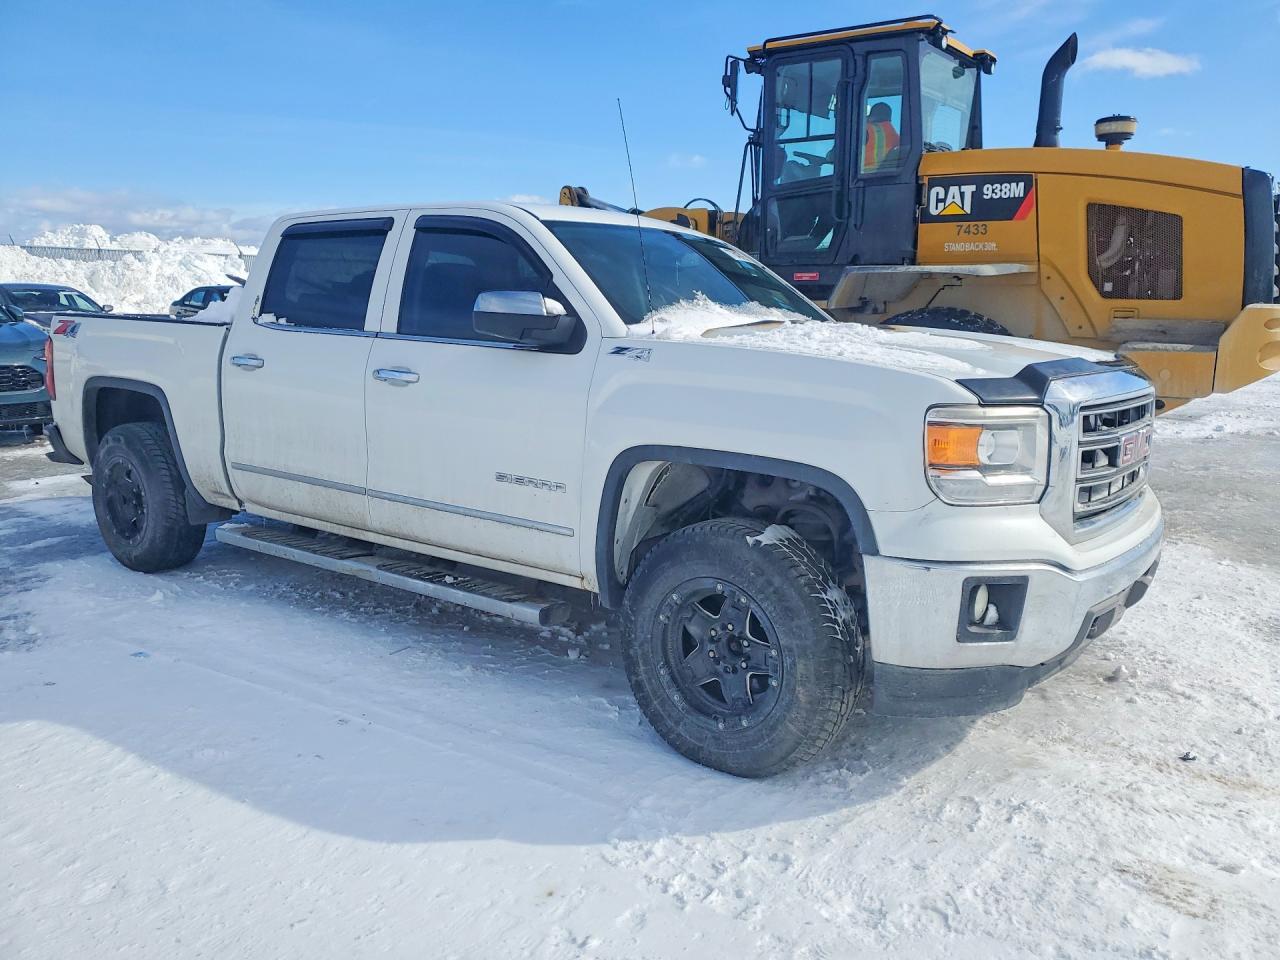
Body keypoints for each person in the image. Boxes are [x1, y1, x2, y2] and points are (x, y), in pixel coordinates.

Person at [863, 102, 899, 171]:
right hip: (887, 177)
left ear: (872, 116)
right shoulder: (898, 138)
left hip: (864, 177)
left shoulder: (864, 130)